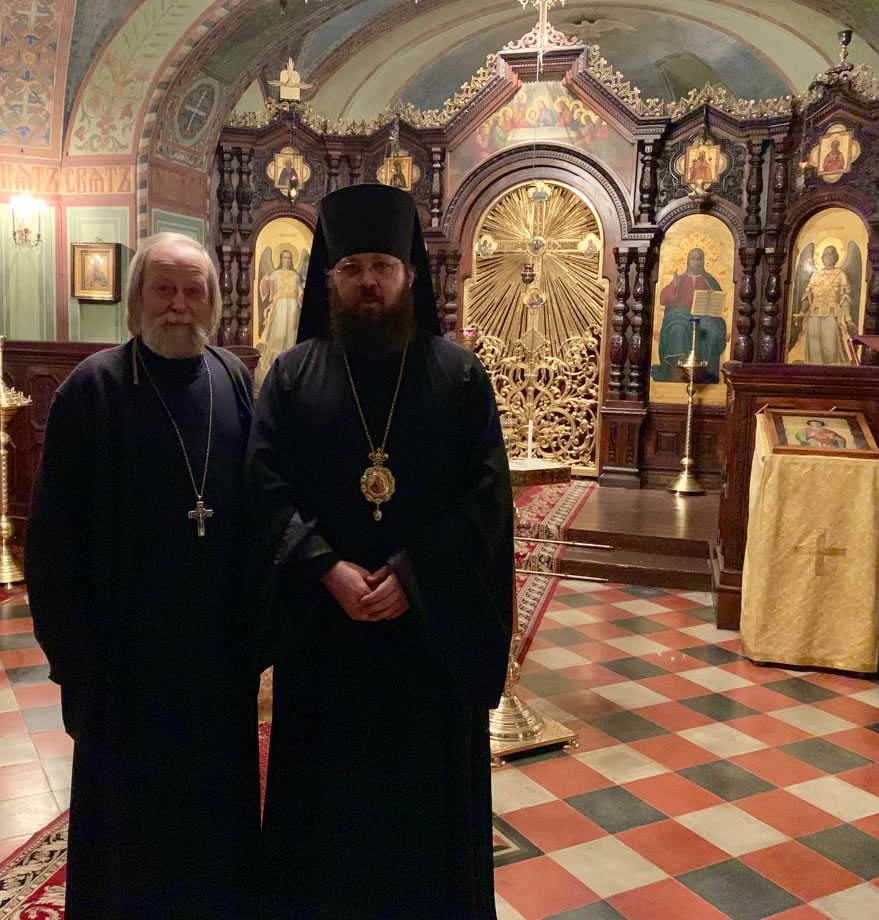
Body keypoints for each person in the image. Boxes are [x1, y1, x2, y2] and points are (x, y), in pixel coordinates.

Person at [246, 183, 514, 919]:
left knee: (425, 826)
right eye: (353, 268)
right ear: (329, 280)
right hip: (324, 643)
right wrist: (322, 566)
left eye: (383, 267)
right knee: (324, 817)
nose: (369, 281)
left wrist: (412, 573)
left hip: (427, 646)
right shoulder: (292, 377)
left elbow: (487, 497)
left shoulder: (459, 376)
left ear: (409, 276)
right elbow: (263, 487)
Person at [25, 232, 258, 919]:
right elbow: (52, 542)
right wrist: (77, 665)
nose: (179, 305)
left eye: (193, 290)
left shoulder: (234, 379)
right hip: (123, 672)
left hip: (217, 666)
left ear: (213, 301)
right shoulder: (91, 390)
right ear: (136, 299)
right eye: (164, 289)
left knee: (216, 835)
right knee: (129, 847)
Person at [650, 247, 727, 383]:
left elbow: (718, 301)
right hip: (679, 316)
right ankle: (676, 372)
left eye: (699, 259)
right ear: (688, 261)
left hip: (704, 318)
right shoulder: (680, 279)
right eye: (693, 259)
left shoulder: (709, 280)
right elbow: (663, 299)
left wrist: (711, 296)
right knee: (678, 329)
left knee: (711, 332)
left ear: (703, 261)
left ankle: (705, 373)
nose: (696, 262)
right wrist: (674, 286)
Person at [795, 244, 855, 365]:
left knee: (830, 342)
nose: (827, 257)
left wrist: (848, 319)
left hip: (832, 313)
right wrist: (801, 312)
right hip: (815, 313)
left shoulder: (841, 274)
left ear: (836, 257)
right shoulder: (816, 274)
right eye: (825, 255)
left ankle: (833, 368)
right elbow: (808, 295)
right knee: (814, 343)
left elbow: (845, 298)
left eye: (830, 254)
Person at [256, 248, 303, 384]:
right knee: (279, 334)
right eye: (284, 257)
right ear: (280, 259)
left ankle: (290, 365)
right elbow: (267, 287)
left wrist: (301, 293)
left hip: (292, 307)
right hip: (280, 307)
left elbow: (299, 290)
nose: (286, 260)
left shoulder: (295, 275)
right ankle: (276, 363)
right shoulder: (275, 274)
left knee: (291, 334)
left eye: (289, 258)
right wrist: (266, 280)